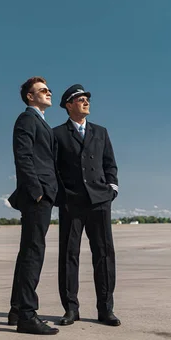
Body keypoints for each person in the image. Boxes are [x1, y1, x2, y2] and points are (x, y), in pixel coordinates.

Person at [53, 84, 121, 327]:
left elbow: (110, 163)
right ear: (68, 105)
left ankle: (105, 309)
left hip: (100, 201)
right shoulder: (57, 134)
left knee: (104, 255)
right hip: (72, 203)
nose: (85, 102)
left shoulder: (101, 132)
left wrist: (112, 187)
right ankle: (71, 309)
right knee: (69, 256)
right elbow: (53, 169)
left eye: (86, 99)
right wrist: (61, 195)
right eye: (80, 99)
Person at [7, 76, 60, 335]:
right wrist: (38, 192)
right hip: (37, 197)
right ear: (30, 96)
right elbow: (23, 157)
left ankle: (17, 309)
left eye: (48, 89)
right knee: (33, 254)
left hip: (42, 195)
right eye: (42, 90)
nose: (48, 92)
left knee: (27, 251)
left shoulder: (41, 122)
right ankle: (27, 314)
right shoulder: (27, 119)